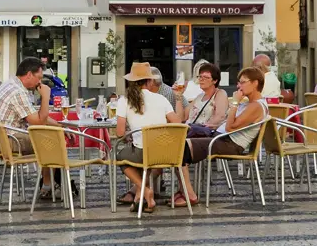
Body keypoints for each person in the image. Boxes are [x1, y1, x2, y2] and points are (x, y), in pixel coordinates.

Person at [182, 67, 270, 203]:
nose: (238, 86)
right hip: (220, 138)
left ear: (255, 83)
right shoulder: (249, 103)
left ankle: (189, 194)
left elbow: (230, 127)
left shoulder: (256, 106)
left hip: (230, 143)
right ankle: (183, 192)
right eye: (238, 82)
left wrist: (235, 102)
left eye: (242, 82)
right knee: (178, 143)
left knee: (181, 149)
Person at [115, 62, 186, 213]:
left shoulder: (124, 100)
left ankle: (144, 190)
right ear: (149, 81)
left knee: (121, 157)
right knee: (143, 160)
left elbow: (120, 133)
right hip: (165, 152)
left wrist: (131, 134)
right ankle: (142, 199)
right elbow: (178, 123)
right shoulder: (161, 99)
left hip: (142, 152)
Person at [0, 57, 60, 155]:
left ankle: (52, 170)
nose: (40, 82)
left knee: (51, 139)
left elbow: (34, 115)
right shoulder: (17, 92)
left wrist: (60, 127)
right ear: (29, 74)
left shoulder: (12, 84)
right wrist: (46, 97)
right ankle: (56, 170)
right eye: (39, 78)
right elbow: (39, 122)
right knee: (52, 142)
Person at [185, 63, 229, 134]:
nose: (201, 79)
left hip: (203, 134)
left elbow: (220, 116)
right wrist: (179, 96)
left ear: (215, 80)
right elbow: (184, 116)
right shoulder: (199, 96)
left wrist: (203, 127)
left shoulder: (220, 94)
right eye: (200, 76)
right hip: (190, 130)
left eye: (206, 77)